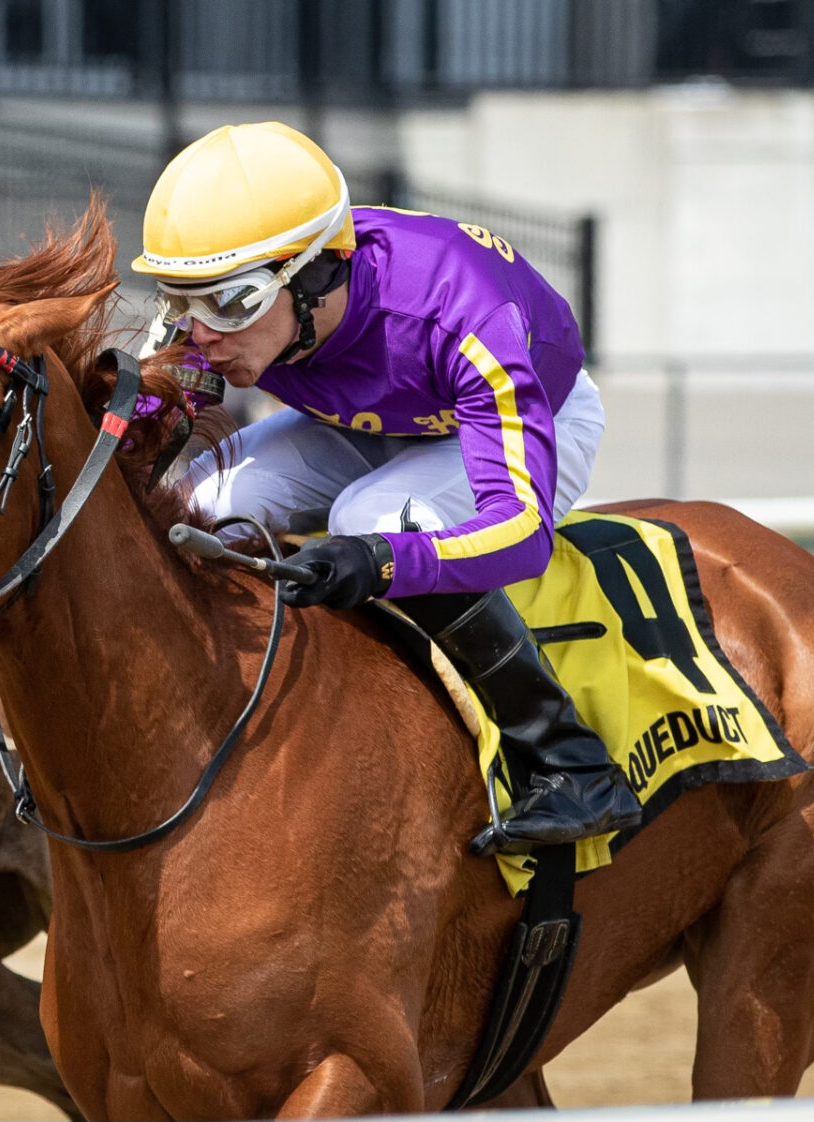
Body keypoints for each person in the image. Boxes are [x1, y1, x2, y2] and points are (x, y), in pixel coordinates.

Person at [138, 122, 641, 855]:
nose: (201, 333)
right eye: (181, 301)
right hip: (363, 415)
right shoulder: (228, 313)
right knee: (208, 504)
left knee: (370, 516)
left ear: (315, 276)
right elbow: (147, 436)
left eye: (230, 304)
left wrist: (377, 561)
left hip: (530, 417)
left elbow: (520, 533)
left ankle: (567, 759)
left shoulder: (461, 312)